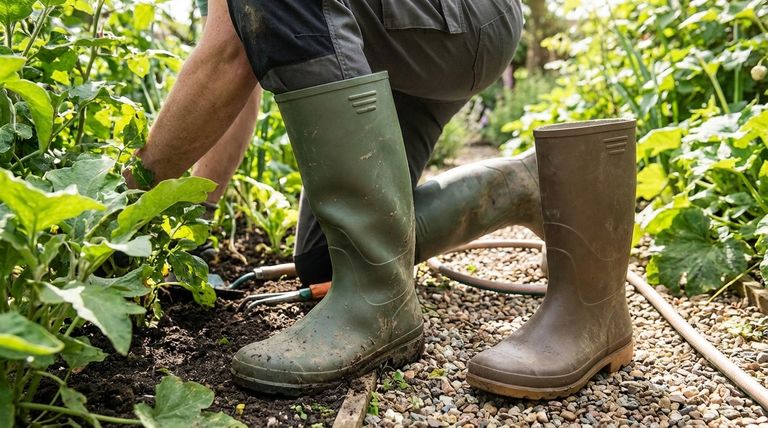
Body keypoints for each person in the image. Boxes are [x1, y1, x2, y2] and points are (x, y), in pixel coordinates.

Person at [127, 0, 636, 400]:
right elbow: (240, 51)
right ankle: (522, 186)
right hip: (398, 36)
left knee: (369, 273)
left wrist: (129, 200)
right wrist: (197, 218)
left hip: (459, 17)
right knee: (328, 260)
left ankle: (380, 311)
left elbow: (228, 54)